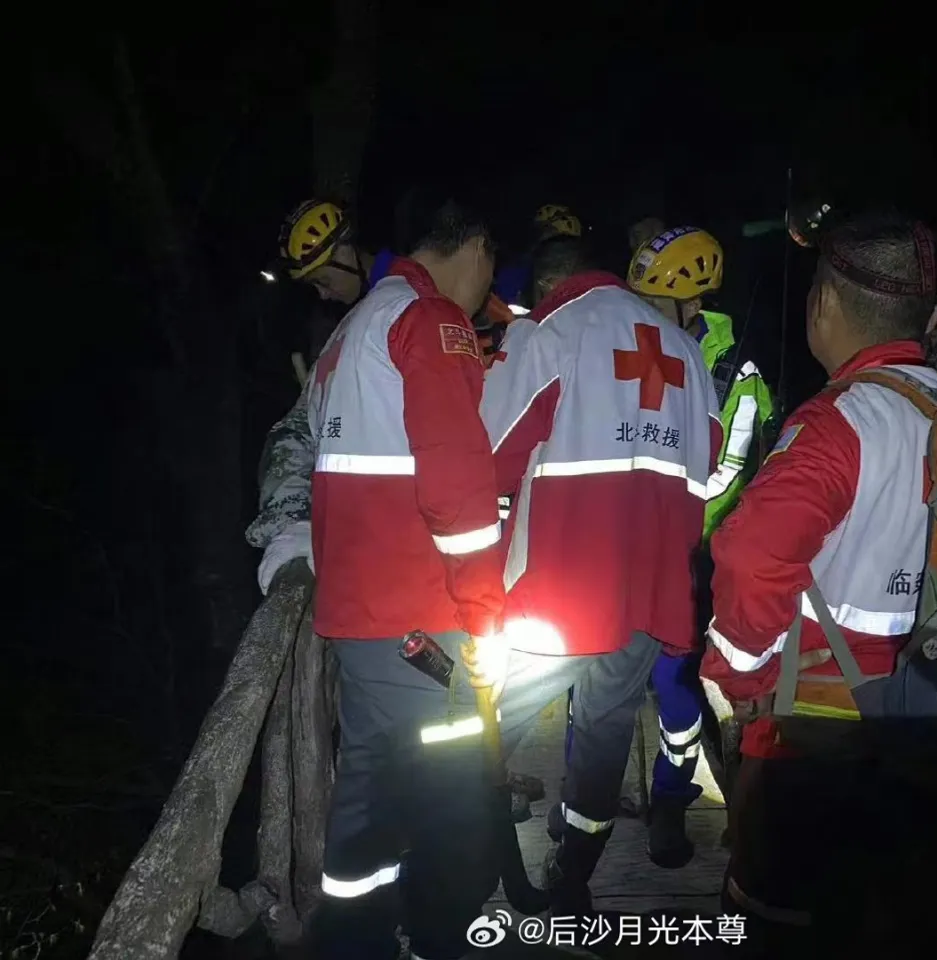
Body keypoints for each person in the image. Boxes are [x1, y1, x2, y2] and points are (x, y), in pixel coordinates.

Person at [699, 213, 937, 952]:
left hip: (820, 730)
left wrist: (735, 670)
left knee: (779, 917)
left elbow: (751, 552)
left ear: (824, 306)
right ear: (930, 318)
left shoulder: (841, 421)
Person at [472, 234, 722, 915]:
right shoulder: (688, 355)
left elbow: (486, 454)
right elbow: (710, 457)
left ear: (553, 283)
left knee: (480, 724)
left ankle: (460, 865)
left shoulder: (548, 334)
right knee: (605, 737)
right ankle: (572, 874)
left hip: (553, 594)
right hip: (648, 592)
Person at [308, 200, 506, 960]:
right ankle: (430, 939)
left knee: (372, 792)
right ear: (478, 248)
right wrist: (486, 614)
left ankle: (356, 936)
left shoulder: (356, 329)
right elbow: (459, 488)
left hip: (363, 615)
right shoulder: (429, 322)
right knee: (447, 800)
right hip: (419, 623)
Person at [620, 224, 775, 866]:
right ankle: (586, 798)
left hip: (691, 554)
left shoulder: (734, 372)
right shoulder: (627, 344)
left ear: (693, 301)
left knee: (675, 687)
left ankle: (670, 797)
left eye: (657, 305)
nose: (643, 317)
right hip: (623, 544)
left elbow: (725, 474)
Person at [249, 198, 399, 594]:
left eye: (324, 281)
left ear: (347, 253)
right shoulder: (352, 323)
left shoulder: (408, 306)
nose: (324, 295)